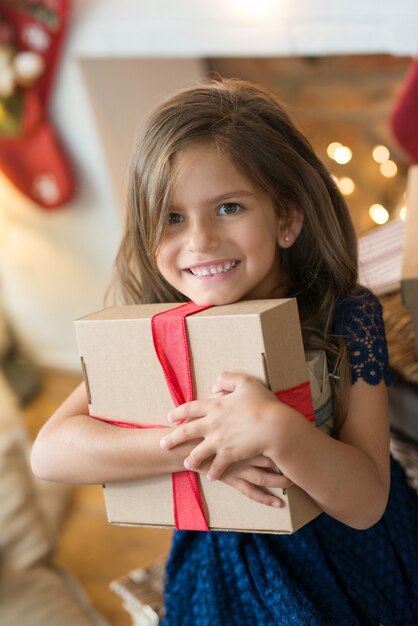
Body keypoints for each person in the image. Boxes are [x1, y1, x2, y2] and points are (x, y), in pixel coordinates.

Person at [31, 78, 418, 625]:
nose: (200, 242)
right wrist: (204, 447)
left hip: (347, 561)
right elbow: (49, 452)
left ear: (286, 218)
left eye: (229, 207)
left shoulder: (344, 315)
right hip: (223, 561)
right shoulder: (165, 330)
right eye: (172, 217)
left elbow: (366, 503)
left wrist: (282, 434)